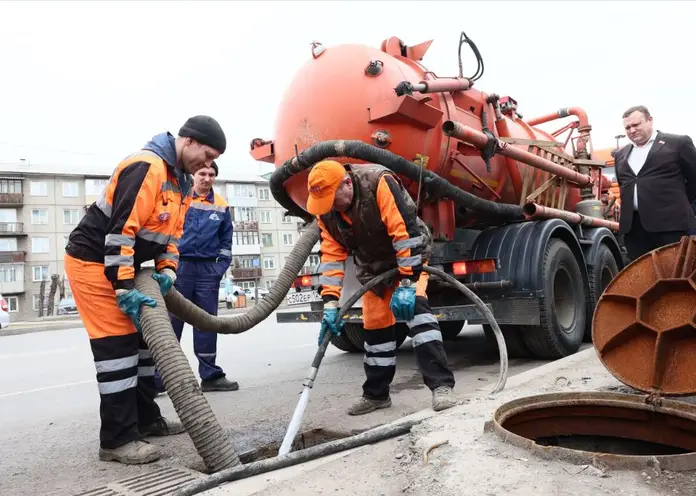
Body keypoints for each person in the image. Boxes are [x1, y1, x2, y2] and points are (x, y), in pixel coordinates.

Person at [64, 115, 227, 464]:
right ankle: (117, 440)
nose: (208, 164)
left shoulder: (180, 181)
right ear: (188, 141)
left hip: (125, 267)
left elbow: (173, 236)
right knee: (117, 350)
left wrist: (167, 270)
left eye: (214, 160)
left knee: (144, 345)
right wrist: (123, 286)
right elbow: (121, 231)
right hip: (92, 263)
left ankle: (147, 420)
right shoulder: (147, 166)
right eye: (207, 154)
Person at [305, 160, 458, 416]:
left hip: (408, 259)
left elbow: (404, 232)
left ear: (346, 182)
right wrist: (331, 302)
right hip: (373, 269)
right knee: (375, 332)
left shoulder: (378, 182)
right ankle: (376, 395)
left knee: (418, 316)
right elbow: (332, 255)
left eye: (333, 198)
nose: (330, 205)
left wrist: (407, 282)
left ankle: (441, 387)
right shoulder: (326, 210)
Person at [153, 161, 238, 394]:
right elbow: (165, 231)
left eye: (211, 174)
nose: (207, 178)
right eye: (202, 173)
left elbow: (226, 243)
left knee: (206, 322)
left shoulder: (220, 205)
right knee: (171, 324)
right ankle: (159, 379)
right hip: (179, 268)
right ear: (193, 175)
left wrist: (218, 269)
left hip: (207, 272)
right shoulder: (180, 198)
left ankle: (210, 376)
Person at [614, 105, 696, 260]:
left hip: (672, 226)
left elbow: (694, 180)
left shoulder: (678, 143)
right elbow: (624, 186)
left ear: (649, 120)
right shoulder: (621, 154)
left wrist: (679, 205)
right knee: (644, 279)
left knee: (677, 275)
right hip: (635, 231)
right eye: (628, 128)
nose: (632, 130)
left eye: (636, 125)